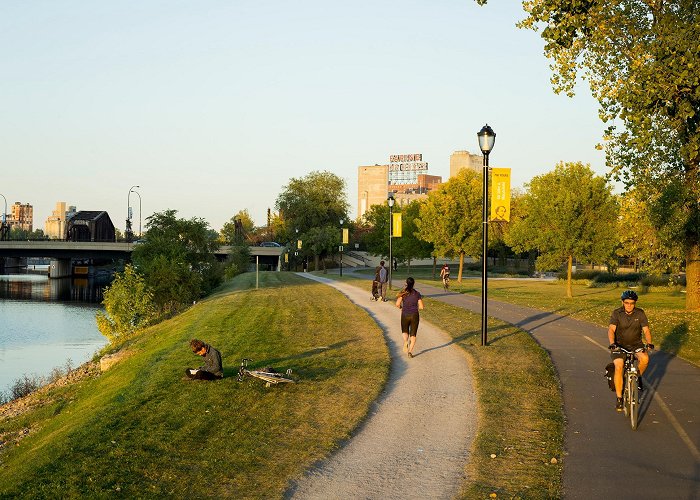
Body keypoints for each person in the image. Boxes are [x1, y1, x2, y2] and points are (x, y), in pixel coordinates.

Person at [608, 290, 654, 411]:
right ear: (622, 302)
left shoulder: (640, 314)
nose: (629, 305)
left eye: (632, 303)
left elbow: (646, 330)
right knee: (619, 365)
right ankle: (619, 398)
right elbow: (611, 330)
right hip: (619, 345)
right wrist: (612, 343)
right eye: (627, 302)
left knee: (645, 359)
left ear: (635, 303)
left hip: (636, 345)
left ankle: (637, 377)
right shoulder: (617, 313)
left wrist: (649, 343)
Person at [395, 277, 424, 358]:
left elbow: (397, 304)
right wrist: (415, 307)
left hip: (405, 314)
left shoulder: (403, 293)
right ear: (413, 284)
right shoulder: (417, 293)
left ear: (406, 283)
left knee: (405, 331)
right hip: (414, 315)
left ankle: (405, 342)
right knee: (413, 334)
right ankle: (410, 352)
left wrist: (401, 308)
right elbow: (421, 307)